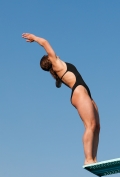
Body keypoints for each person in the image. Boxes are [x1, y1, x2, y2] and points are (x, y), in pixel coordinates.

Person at [22, 33, 100, 165]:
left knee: (96, 126)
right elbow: (45, 43)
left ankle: (94, 158)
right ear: (50, 59)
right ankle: (88, 159)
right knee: (90, 126)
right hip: (79, 94)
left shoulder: (58, 67)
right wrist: (34, 38)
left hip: (85, 94)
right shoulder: (57, 63)